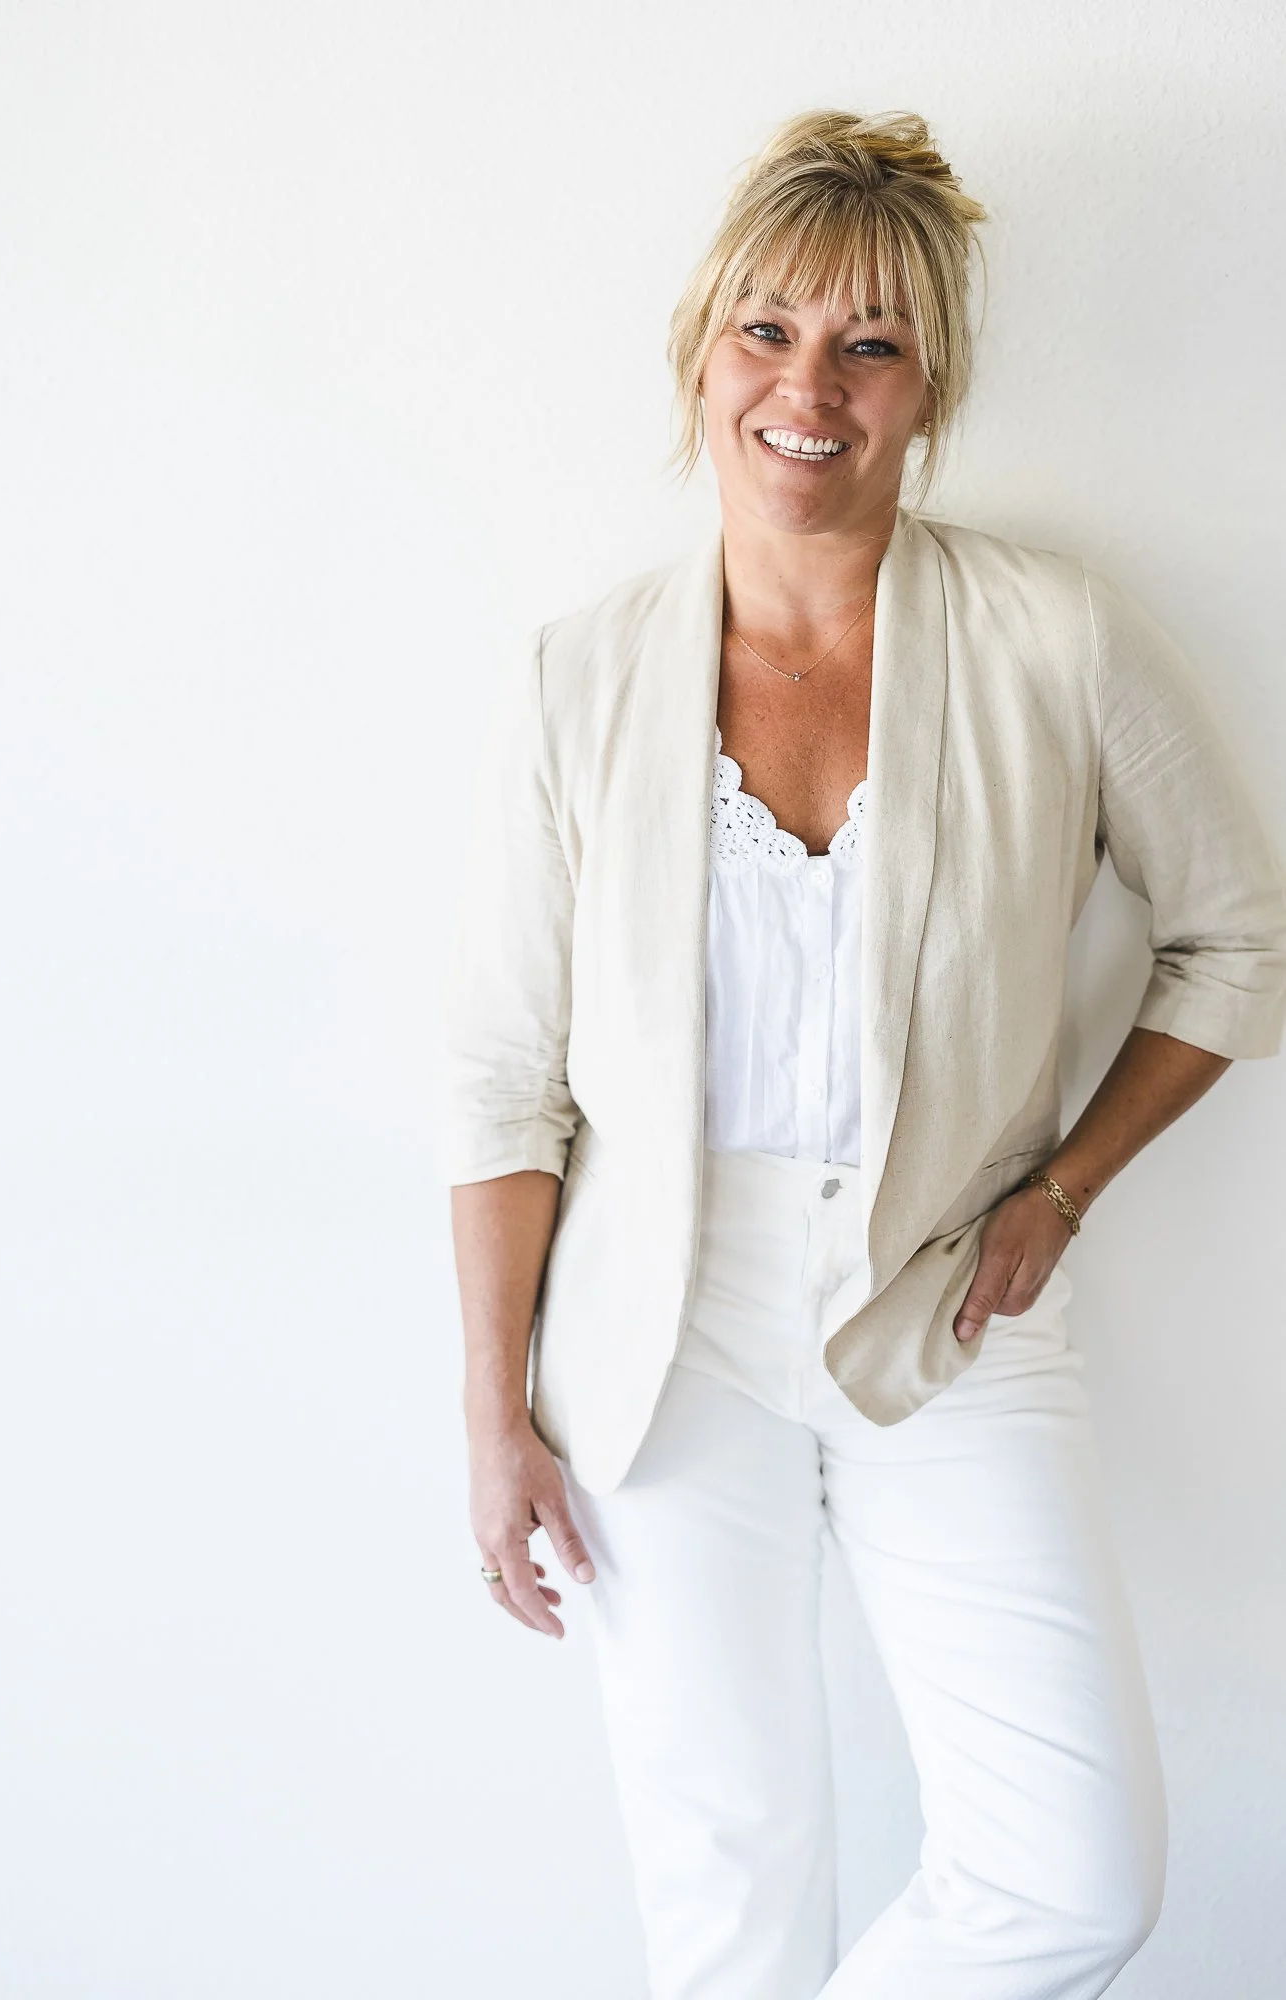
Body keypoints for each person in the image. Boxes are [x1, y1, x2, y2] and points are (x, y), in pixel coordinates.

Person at [438, 108, 1286, 2000]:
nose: (809, 388)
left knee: (1075, 1875)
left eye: (870, 343)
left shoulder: (1053, 637)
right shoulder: (580, 679)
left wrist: (1067, 1189)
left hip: (949, 1298)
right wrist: (495, 1414)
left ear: (928, 391)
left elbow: (1238, 936)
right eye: (769, 329)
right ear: (700, 353)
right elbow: (504, 1073)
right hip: (657, 1322)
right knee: (726, 1892)